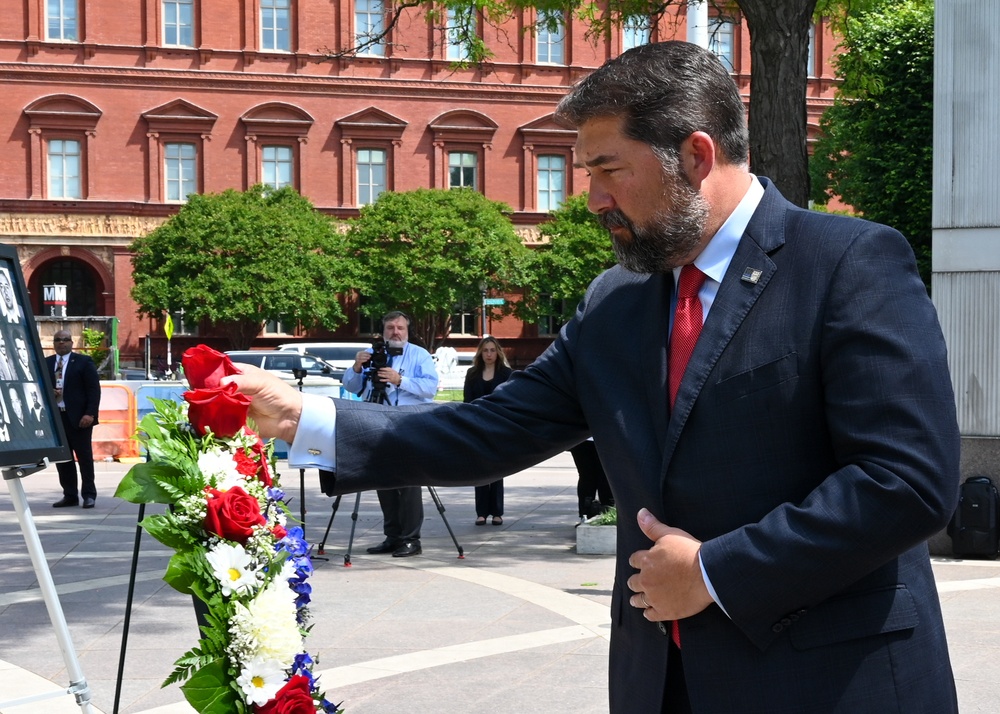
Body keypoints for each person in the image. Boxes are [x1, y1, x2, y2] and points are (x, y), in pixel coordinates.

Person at [226, 41, 961, 714]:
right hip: (659, 684)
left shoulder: (847, 264)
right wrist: (301, 419)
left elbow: (907, 480)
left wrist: (715, 572)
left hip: (832, 685)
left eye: (610, 170)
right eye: (588, 173)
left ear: (696, 156)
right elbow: (493, 427)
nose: (593, 199)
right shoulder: (619, 302)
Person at [340, 310, 439, 557]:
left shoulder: (420, 355)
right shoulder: (373, 355)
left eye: (400, 328)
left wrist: (399, 380)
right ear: (383, 331)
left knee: (408, 482)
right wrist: (356, 367)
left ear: (407, 331)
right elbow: (351, 386)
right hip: (376, 422)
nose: (395, 332)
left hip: (408, 425)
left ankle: (410, 539)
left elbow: (430, 389)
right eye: (390, 328)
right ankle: (392, 536)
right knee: (383, 480)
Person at [47, 330, 101, 509]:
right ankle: (69, 495)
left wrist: (90, 413)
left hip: (80, 418)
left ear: (72, 342)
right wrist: (50, 392)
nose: (61, 343)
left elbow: (93, 390)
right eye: (57, 340)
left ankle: (89, 495)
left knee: (84, 457)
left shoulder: (83, 362)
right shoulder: (46, 363)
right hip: (57, 417)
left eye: (65, 340)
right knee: (63, 460)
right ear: (54, 343)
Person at [463, 335, 513, 526]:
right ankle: (481, 512)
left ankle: (497, 512)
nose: (489, 354)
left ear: (498, 352)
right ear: (480, 353)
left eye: (492, 350)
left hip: (498, 427)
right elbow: (467, 401)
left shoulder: (506, 374)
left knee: (498, 470)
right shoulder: (472, 373)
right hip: (477, 427)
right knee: (480, 470)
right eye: (485, 350)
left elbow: (510, 401)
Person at [570, 437, 614, 521]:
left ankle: (608, 510)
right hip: (582, 439)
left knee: (605, 477)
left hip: (605, 438)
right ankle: (585, 513)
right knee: (587, 476)